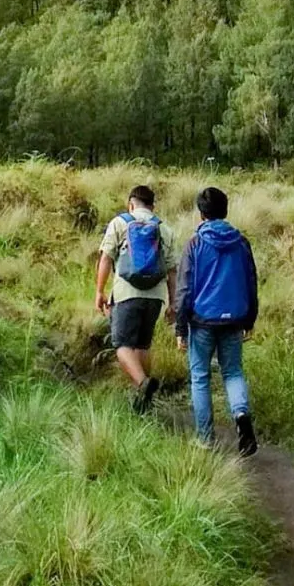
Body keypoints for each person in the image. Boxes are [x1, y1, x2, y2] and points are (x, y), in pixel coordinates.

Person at [175, 186, 259, 456]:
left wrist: (180, 325)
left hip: (202, 321)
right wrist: (250, 318)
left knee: (200, 377)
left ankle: (205, 439)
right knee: (233, 372)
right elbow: (251, 281)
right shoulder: (241, 242)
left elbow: (185, 288)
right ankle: (242, 418)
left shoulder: (195, 244)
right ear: (225, 210)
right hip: (234, 319)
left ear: (201, 214)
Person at [96, 184, 177, 413]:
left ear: (131, 203)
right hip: (155, 297)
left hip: (126, 293)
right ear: (153, 206)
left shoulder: (120, 222)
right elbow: (172, 271)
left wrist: (100, 291)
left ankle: (143, 383)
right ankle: (142, 403)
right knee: (142, 345)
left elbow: (106, 259)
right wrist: (173, 303)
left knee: (122, 345)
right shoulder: (164, 229)